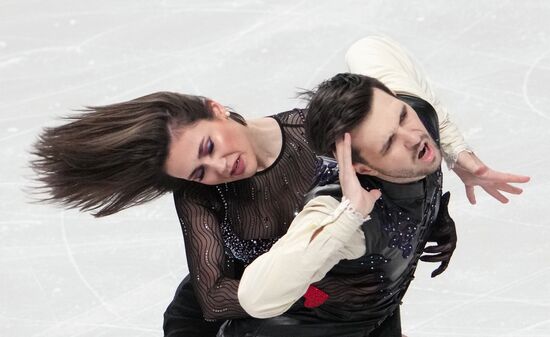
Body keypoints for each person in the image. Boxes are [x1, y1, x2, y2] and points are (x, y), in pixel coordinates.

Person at [29, 36, 529, 337]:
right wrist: (312, 275)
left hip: (360, 312)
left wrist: (433, 215)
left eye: (207, 148)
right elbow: (215, 298)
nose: (220, 167)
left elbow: (396, 173)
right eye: (199, 170)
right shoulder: (201, 197)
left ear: (216, 108)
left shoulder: (314, 136)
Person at [224, 70, 528, 336]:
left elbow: (370, 47)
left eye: (401, 115)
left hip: (370, 322)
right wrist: (349, 214)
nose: (413, 136)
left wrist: (459, 155)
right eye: (388, 142)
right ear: (364, 168)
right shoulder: (337, 210)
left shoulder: (418, 116)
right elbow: (255, 297)